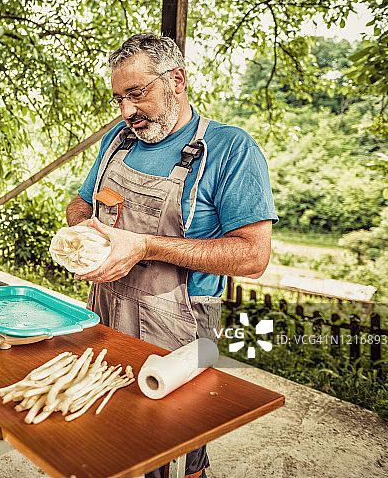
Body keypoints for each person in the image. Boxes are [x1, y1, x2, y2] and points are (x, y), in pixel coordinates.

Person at [66, 34, 278, 478]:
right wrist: (80, 231)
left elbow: (253, 257)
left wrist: (145, 246)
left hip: (181, 322)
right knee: (116, 423)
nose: (126, 112)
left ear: (176, 80)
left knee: (176, 439)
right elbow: (82, 203)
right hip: (105, 307)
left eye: (137, 94)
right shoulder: (117, 141)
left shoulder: (231, 150)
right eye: (119, 98)